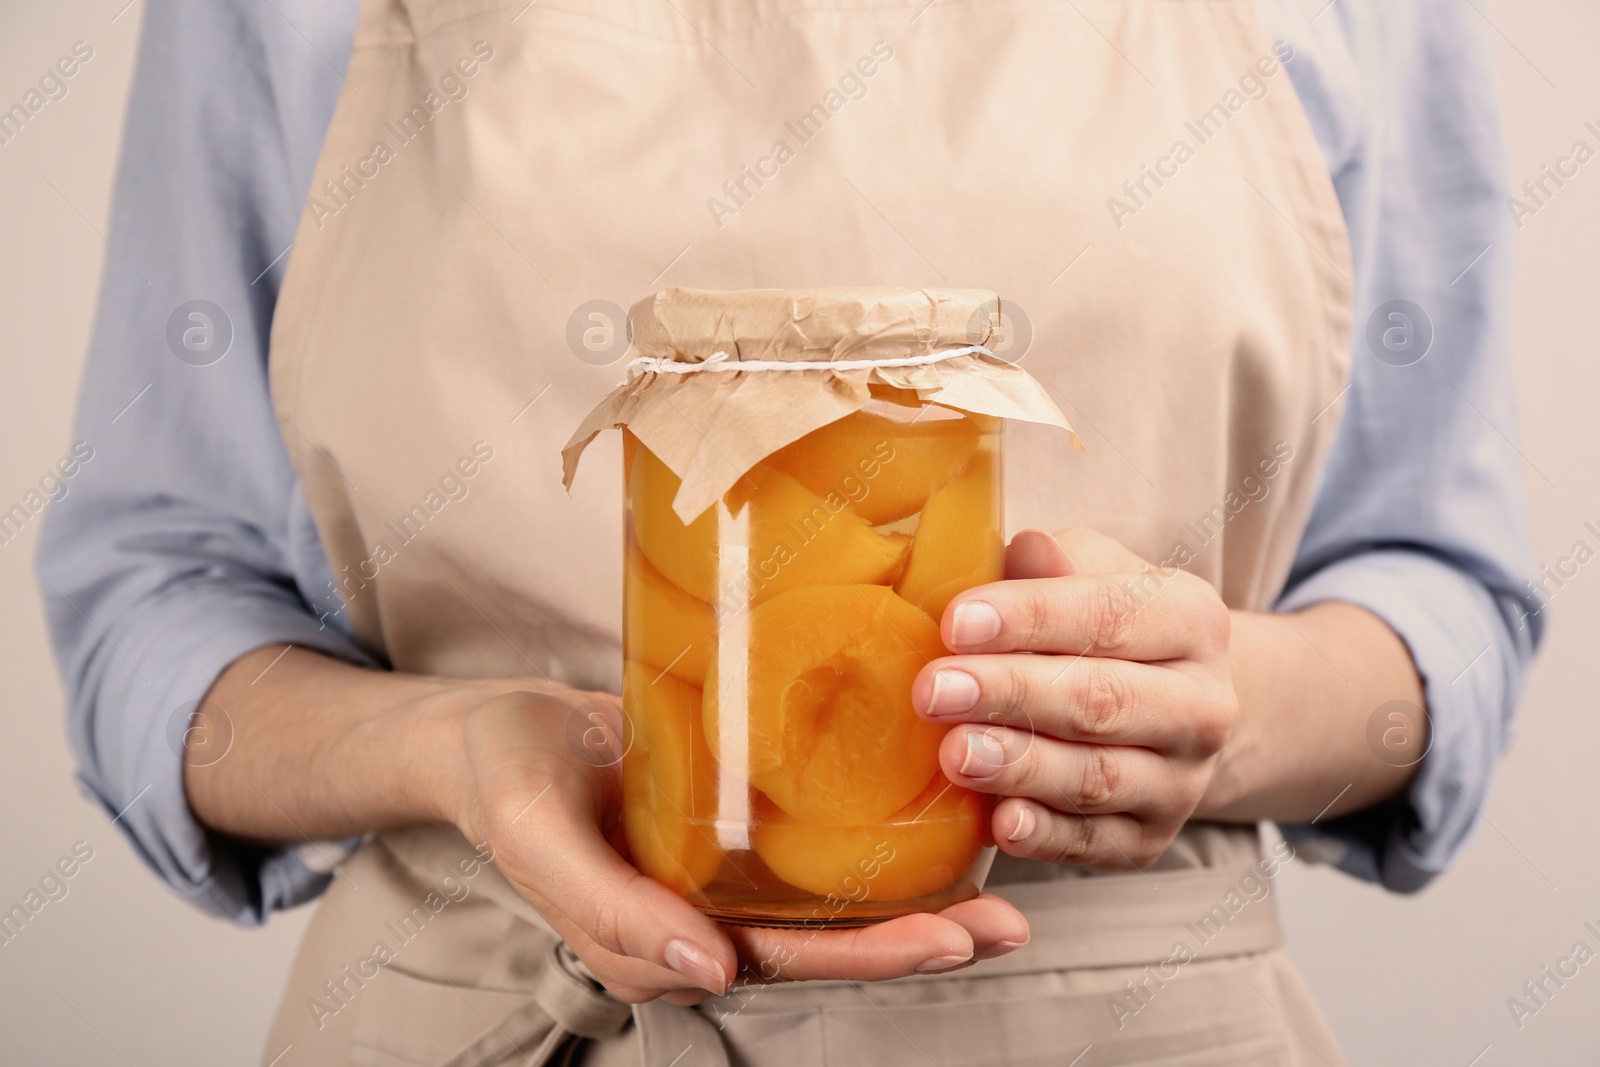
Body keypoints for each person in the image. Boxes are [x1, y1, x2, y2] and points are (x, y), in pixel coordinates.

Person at [40, 0, 1540, 1063]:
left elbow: (1440, 598)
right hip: (486, 1014)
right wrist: (453, 750)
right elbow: (158, 598)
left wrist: (1235, 704)